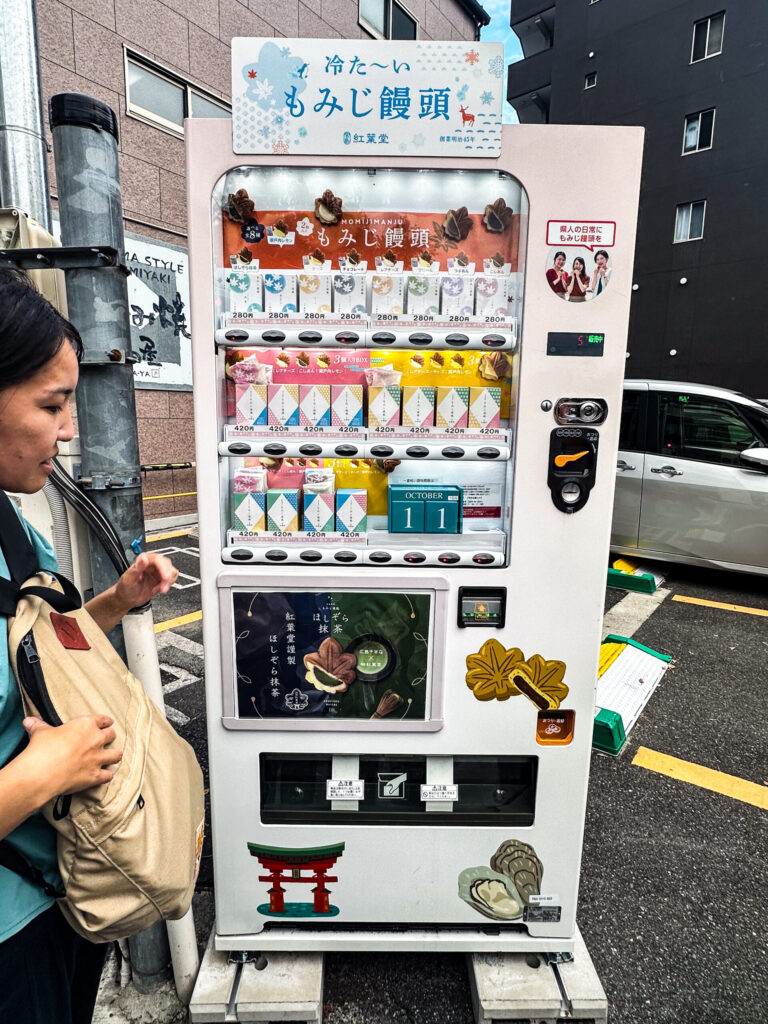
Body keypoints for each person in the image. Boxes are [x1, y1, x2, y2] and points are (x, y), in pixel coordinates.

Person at [0, 268, 178, 1024]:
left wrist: (115, 601)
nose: (70, 428)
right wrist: (39, 775)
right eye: (53, 403)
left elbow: (47, 649)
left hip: (60, 887)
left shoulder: (12, 525)